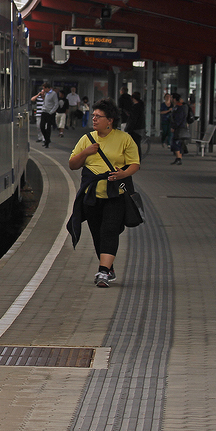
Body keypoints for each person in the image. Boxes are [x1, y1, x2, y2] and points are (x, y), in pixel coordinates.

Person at [67, 98, 140, 288]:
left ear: (110, 120)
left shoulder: (124, 139)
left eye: (99, 116)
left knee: (109, 230)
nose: (94, 119)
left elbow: (135, 163)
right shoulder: (87, 139)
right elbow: (73, 164)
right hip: (92, 195)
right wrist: (86, 153)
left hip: (115, 194)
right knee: (97, 233)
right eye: (93, 116)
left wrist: (123, 173)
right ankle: (108, 267)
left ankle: (104, 272)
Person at [169, 93, 187, 164]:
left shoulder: (179, 108)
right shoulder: (178, 107)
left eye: (171, 98)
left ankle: (179, 158)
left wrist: (174, 127)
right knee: (177, 142)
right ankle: (178, 158)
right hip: (180, 127)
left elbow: (178, 119)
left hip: (179, 128)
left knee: (175, 142)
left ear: (174, 99)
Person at [39, 82, 58, 148]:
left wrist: (51, 111)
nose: (43, 90)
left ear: (47, 88)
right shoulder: (46, 94)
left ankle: (47, 142)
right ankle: (47, 138)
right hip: (44, 111)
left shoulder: (53, 94)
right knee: (42, 126)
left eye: (44, 88)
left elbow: (56, 104)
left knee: (48, 127)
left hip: (49, 113)